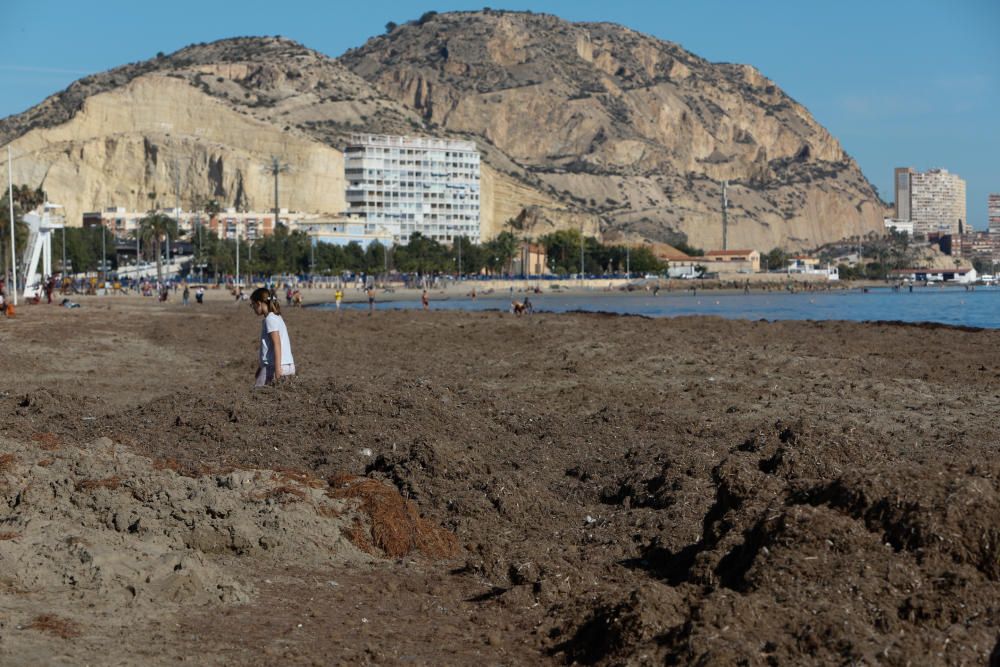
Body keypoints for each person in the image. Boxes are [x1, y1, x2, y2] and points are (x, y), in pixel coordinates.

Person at [250, 287, 295, 387]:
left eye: (252, 305)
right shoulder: (276, 317)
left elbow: (277, 344)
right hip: (287, 364)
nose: (252, 308)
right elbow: (270, 348)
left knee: (259, 394)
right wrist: (260, 367)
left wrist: (278, 369)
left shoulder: (270, 319)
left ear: (259, 303)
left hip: (276, 366)